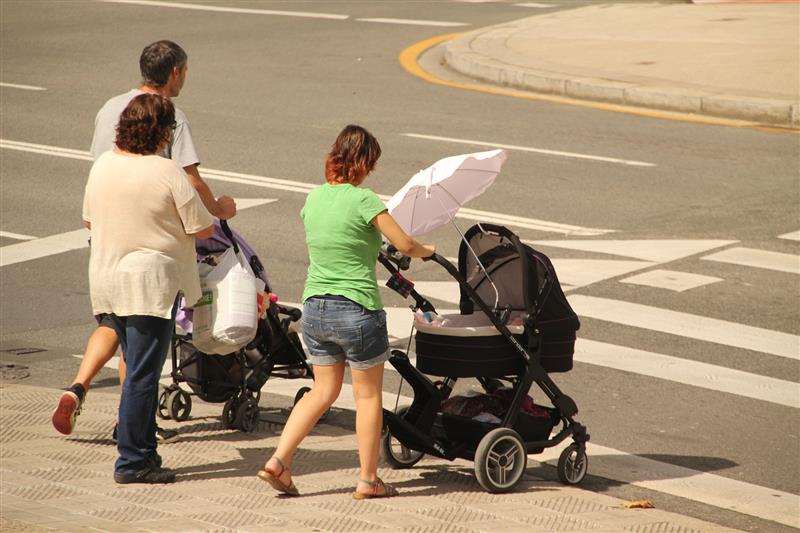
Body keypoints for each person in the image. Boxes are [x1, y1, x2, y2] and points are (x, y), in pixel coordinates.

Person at [52, 40, 235, 441]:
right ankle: (133, 431)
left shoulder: (108, 110)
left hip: (107, 241)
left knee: (113, 323)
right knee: (138, 356)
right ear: (175, 73)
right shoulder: (170, 117)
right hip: (150, 251)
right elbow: (191, 184)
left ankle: (79, 384)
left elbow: (90, 204)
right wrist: (219, 210)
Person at [257, 124, 435, 499]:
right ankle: (368, 480)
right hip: (356, 309)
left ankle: (278, 460)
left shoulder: (314, 198)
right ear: (363, 162)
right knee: (367, 397)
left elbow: (338, 238)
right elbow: (404, 243)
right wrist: (426, 251)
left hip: (315, 308)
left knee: (321, 391)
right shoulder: (364, 200)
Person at [83, 93, 214, 483]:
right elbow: (202, 227)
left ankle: (144, 452)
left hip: (108, 279)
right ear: (161, 132)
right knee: (142, 375)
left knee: (135, 368)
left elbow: (89, 220)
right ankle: (133, 461)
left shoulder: (103, 165)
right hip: (149, 287)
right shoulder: (166, 171)